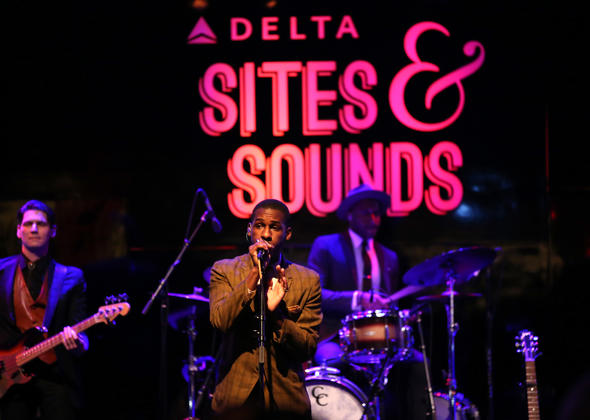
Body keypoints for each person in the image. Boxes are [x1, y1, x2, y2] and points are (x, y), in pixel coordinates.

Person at [307, 184, 428, 420]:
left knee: (418, 363)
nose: (374, 219)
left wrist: (401, 316)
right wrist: (357, 299)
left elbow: (388, 304)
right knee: (333, 363)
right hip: (335, 337)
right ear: (349, 215)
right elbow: (314, 294)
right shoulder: (326, 245)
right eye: (366, 213)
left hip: (381, 340)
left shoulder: (389, 256)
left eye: (377, 213)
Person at [208, 199, 322, 419]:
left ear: (288, 233)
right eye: (260, 226)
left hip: (286, 398)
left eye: (275, 227)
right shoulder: (225, 270)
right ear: (249, 229)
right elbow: (220, 321)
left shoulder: (308, 280)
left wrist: (276, 316)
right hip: (236, 398)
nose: (266, 234)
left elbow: (308, 347)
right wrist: (254, 274)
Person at [0, 200, 89, 420]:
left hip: (55, 375)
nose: (34, 229)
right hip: (9, 375)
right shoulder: (1, 270)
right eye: (28, 224)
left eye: (40, 224)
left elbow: (80, 330)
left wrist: (78, 342)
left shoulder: (71, 276)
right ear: (19, 230)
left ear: (53, 231)